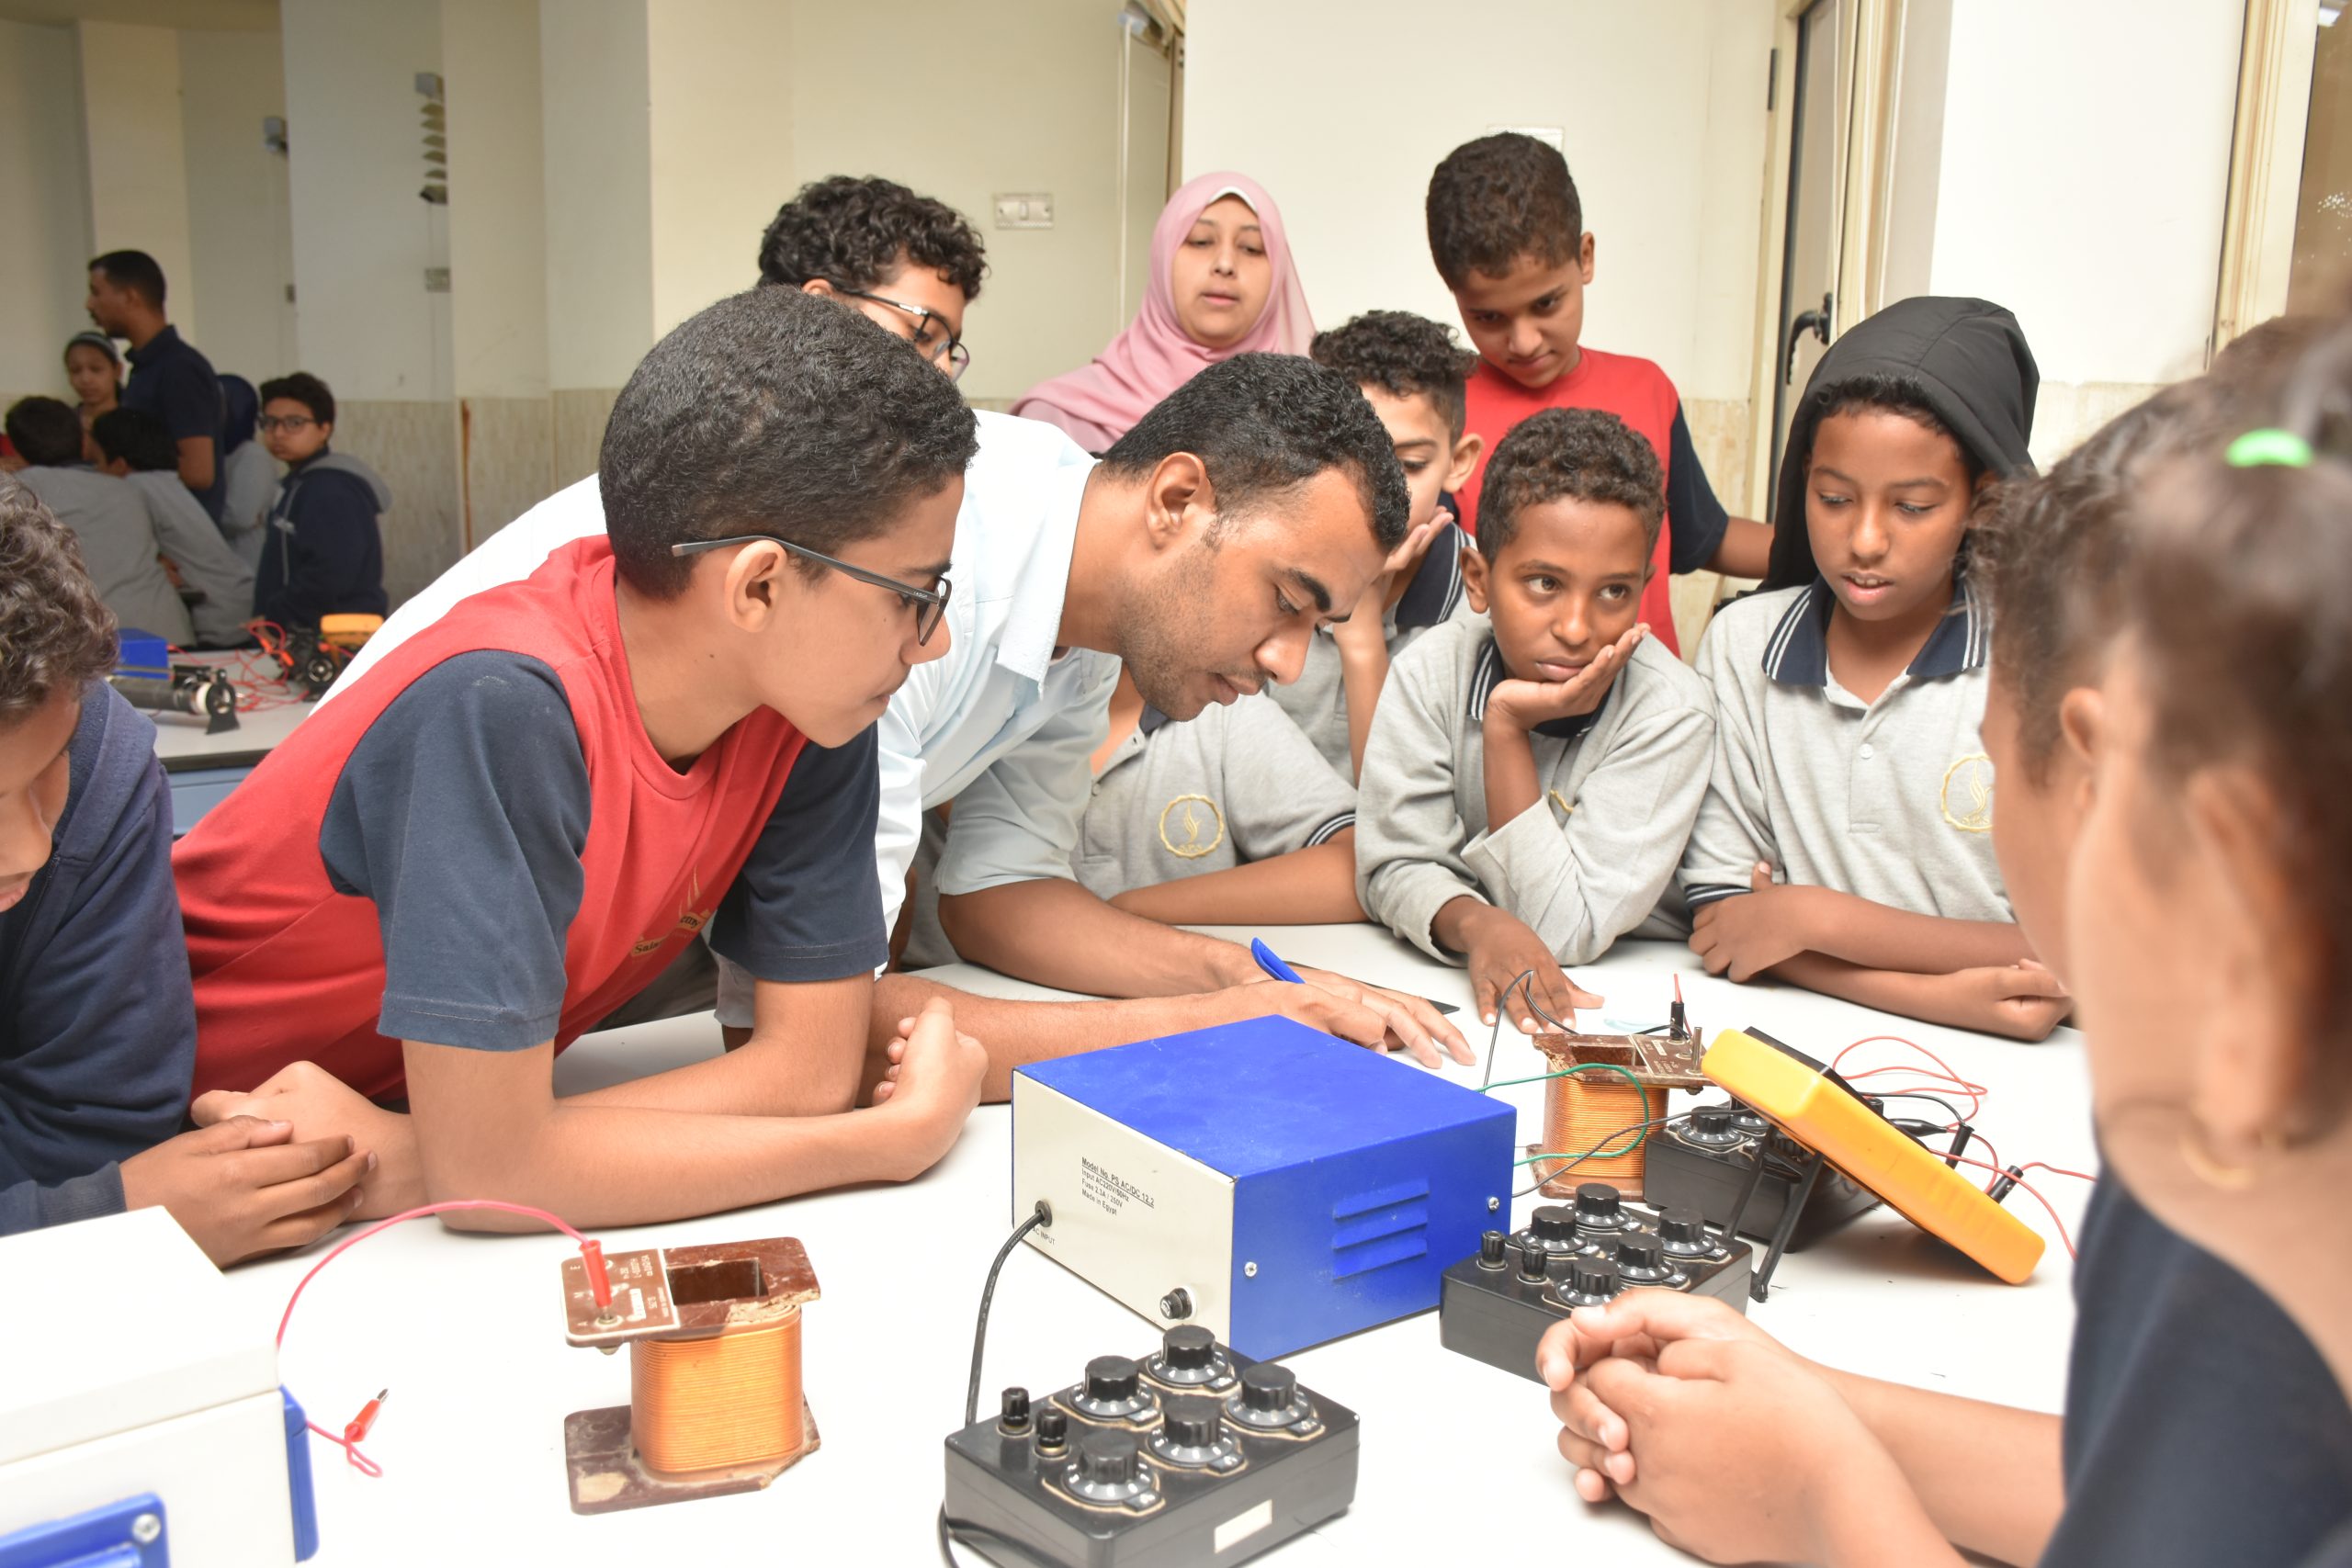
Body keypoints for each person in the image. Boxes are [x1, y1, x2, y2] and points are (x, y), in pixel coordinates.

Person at [321, 176, 1463, 1105]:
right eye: (1287, 601)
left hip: (550, 983)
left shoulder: (1078, 595)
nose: (1287, 662)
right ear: (1175, 500)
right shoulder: (907, 574)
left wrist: (1245, 979)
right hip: (385, 948)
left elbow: (996, 890)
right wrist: (1210, 1028)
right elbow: (817, 1040)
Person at [1535, 333, 2352, 1568]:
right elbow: (2168, 1485)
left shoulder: (2231, 1178)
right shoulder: (2245, 1121)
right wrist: (1805, 1401)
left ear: (2096, 769)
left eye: (1990, 744)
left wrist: (1826, 1505)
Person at [174, 287, 1001, 1229]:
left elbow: (805, 1075)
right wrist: (886, 1140)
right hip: (187, 1148)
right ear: (760, 587)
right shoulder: (502, 705)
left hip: (375, 1143)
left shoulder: (810, 714)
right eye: (913, 596)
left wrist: (432, 1161)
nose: (933, 642)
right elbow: (493, 1175)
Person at [1676, 297, 2064, 1041]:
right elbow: (1724, 921)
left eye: (1912, 507)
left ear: (1981, 501)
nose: (1864, 539)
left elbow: (2086, 949)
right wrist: (1947, 993)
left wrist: (1812, 917)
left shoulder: (2040, 667)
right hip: (1782, 1046)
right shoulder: (1741, 646)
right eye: (1833, 498)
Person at [0, 483, 368, 1264]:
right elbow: (101, 1184)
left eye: (49, 766)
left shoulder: (103, 761)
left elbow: (92, 1128)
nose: (29, 850)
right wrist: (103, 1215)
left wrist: (90, 1199)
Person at [1356, 409, 1713, 1029]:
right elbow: (1393, 864)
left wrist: (1505, 727)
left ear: (1643, 587)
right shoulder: (1430, 671)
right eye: (1545, 583)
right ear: (1478, 579)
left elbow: (1563, 929)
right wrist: (1478, 923)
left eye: (1614, 591)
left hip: (1628, 996)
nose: (1576, 628)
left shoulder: (1670, 710)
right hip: (1467, 986)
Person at [1424, 134, 1770, 655]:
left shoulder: (1647, 389)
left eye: (1546, 304)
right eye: (1489, 317)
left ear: (1584, 257)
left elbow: (1704, 536)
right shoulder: (1439, 412)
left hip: (1647, 696)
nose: (1524, 341)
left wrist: (1834, 547)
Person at [1292, 310, 1483, 781]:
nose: (1380, 494)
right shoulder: (1270, 570)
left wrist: (1360, 631)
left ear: (1458, 463)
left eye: (1410, 464)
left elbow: (1401, 810)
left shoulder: (1485, 609)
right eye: (1348, 460)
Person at [1012, 173, 1313, 454]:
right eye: (1201, 241)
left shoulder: (1311, 418)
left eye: (1252, 248)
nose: (1225, 264)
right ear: (1162, 257)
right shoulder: (1059, 418)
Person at [5, 396, 194, 645]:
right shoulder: (125, 488)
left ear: (15, 452)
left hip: (91, 642)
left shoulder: (19, 491)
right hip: (166, 631)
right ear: (83, 442)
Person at [91, 408, 255, 646]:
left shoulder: (133, 488)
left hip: (214, 616)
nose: (95, 473)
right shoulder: (166, 481)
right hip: (236, 600)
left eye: (96, 463)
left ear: (118, 464)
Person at [85, 250, 228, 522]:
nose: (89, 304)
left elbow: (198, 472)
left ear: (130, 297)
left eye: (96, 292)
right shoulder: (145, 368)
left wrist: (120, 471)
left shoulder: (179, 368)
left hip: (181, 535)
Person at [254, 373, 389, 627]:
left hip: (334, 634)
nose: (278, 433)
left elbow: (332, 572)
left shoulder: (330, 489)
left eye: (294, 423)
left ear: (324, 429)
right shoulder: (299, 483)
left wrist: (278, 614)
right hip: (305, 630)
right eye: (269, 423)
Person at [215, 375, 276, 572]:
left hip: (248, 564)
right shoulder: (220, 457)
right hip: (226, 562)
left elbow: (239, 516)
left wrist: (202, 511)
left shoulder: (252, 455)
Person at [63, 331, 122, 452]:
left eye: (96, 369)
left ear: (117, 370)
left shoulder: (134, 423)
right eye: (75, 370)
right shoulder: (64, 423)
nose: (85, 379)